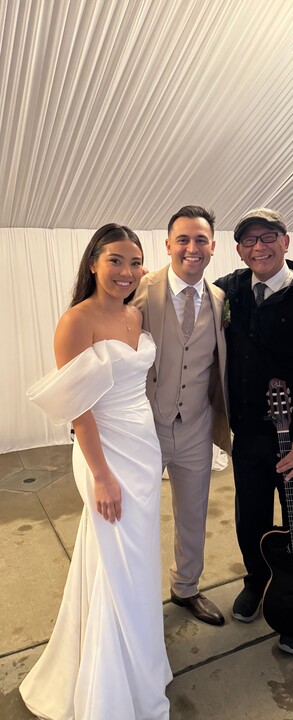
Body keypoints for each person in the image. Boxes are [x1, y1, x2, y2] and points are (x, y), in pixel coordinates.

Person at [20, 224, 172, 720]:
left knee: (132, 559)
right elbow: (79, 410)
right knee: (116, 557)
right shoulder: (76, 321)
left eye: (135, 262)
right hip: (102, 451)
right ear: (93, 263)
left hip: (143, 448)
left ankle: (137, 663)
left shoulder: (135, 314)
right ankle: (110, 687)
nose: (126, 272)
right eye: (115, 261)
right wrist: (101, 475)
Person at [215, 208, 293, 654]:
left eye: (268, 237)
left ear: (286, 242)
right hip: (249, 435)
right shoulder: (231, 290)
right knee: (250, 516)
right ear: (239, 250)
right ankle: (257, 580)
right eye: (249, 241)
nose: (259, 247)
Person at [133, 205, 230, 626]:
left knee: (193, 514)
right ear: (168, 245)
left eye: (201, 240)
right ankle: (133, 599)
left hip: (196, 426)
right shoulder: (139, 289)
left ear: (213, 246)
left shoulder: (220, 299)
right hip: (145, 427)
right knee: (135, 519)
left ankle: (186, 587)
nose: (193, 248)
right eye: (184, 240)